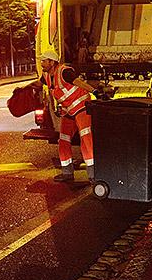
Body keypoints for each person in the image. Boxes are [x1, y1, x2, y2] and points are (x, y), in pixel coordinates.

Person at [26, 50, 104, 182]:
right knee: (63, 140)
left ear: (52, 62)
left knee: (86, 140)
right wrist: (22, 88)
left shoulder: (64, 72)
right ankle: (67, 173)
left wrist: (95, 91)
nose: (42, 63)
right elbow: (38, 84)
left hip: (81, 107)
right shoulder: (46, 75)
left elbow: (79, 83)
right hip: (68, 110)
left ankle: (93, 176)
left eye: (44, 61)